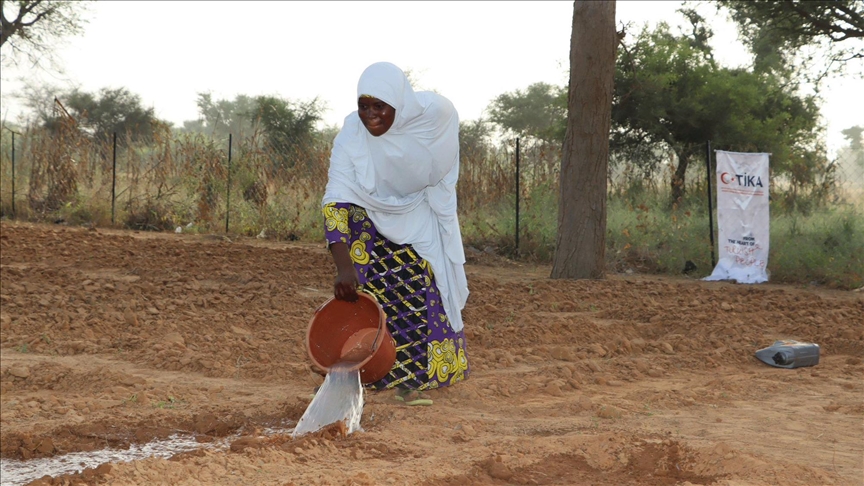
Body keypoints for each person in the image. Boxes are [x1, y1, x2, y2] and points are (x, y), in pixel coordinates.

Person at [321, 62, 470, 403]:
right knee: (373, 294)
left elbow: (441, 156)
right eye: (363, 106)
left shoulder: (431, 120)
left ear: (399, 106)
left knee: (419, 288)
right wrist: (344, 266)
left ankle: (416, 380)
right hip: (371, 224)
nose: (370, 115)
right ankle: (370, 373)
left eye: (379, 106)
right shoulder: (350, 137)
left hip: (419, 217)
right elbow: (335, 200)